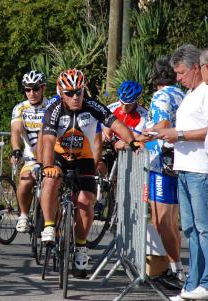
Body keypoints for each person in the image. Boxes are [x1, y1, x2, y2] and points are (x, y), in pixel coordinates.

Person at [40, 69, 140, 279]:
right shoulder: (54, 109)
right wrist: (48, 165)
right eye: (70, 93)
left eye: (80, 92)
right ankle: (49, 225)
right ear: (61, 92)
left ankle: (81, 247)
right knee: (50, 179)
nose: (76, 96)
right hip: (58, 156)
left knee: (86, 201)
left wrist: (132, 141)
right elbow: (47, 141)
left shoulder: (92, 106)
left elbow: (116, 124)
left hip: (82, 157)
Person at [159, 44, 208, 301]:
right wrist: (168, 135)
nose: (177, 78)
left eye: (180, 73)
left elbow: (206, 131)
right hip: (186, 169)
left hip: (201, 170)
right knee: (190, 228)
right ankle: (192, 285)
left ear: (196, 69)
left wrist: (177, 134)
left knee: (203, 228)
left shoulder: (205, 93)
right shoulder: (191, 94)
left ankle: (205, 282)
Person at [139, 56, 186, 290]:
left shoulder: (161, 95)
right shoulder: (181, 93)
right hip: (178, 161)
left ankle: (175, 270)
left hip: (161, 162)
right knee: (171, 221)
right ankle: (171, 269)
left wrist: (141, 135)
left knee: (161, 222)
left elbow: (163, 125)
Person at [10, 70, 48, 233]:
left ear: (43, 88)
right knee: (25, 183)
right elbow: (16, 131)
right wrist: (17, 150)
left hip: (51, 157)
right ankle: (24, 215)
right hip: (31, 157)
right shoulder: (20, 108)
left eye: (35, 89)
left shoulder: (53, 105)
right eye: (27, 89)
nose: (31, 93)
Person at [103, 80, 148, 150]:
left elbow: (134, 138)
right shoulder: (112, 108)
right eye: (122, 103)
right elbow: (106, 132)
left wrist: (124, 142)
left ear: (136, 100)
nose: (124, 107)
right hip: (112, 144)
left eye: (128, 105)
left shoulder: (144, 115)